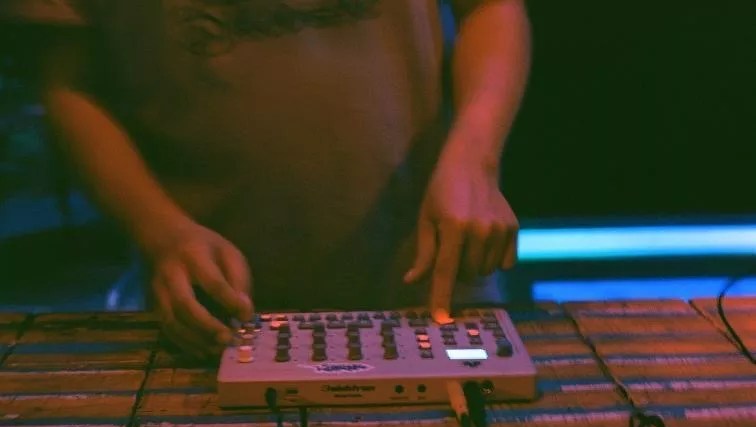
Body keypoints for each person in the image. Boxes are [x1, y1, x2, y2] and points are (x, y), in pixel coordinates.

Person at [2, 0, 531, 361]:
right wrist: (162, 233)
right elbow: (69, 83)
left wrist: (474, 160)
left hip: (431, 267)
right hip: (218, 299)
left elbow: (490, 7)